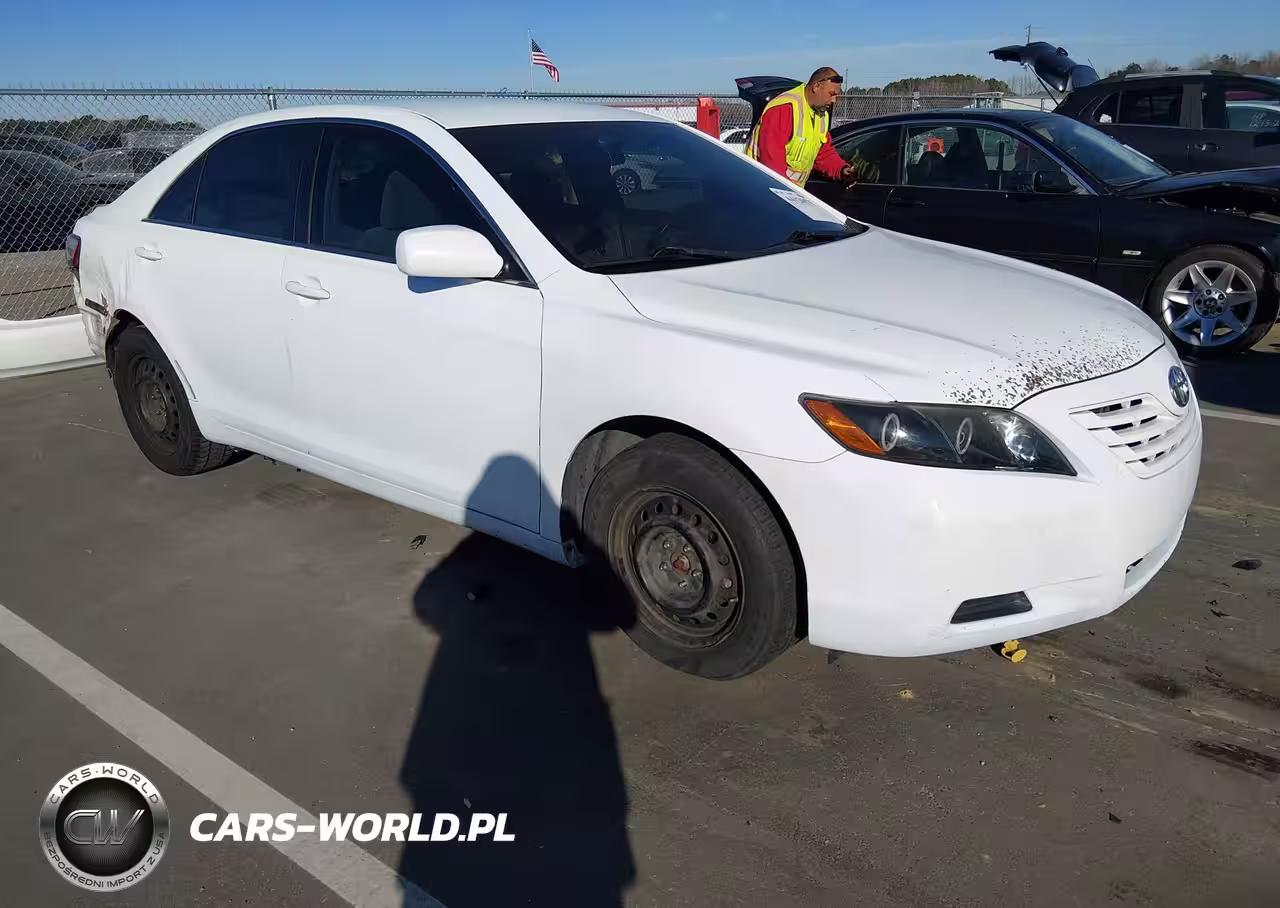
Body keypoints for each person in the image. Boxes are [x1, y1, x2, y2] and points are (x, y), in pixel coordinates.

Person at [744, 67, 858, 187]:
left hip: (790, 192)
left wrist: (841, 169)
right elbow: (772, 163)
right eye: (831, 94)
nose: (834, 100)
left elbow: (823, 153)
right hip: (759, 187)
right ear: (816, 86)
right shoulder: (785, 109)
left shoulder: (821, 114)